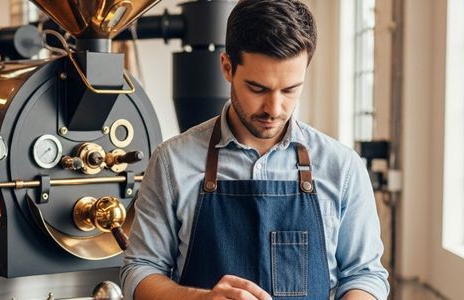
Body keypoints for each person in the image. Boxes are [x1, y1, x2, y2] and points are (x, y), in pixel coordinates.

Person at [120, 0, 390, 299]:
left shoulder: (343, 167)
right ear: (227, 68)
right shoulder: (173, 162)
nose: (274, 109)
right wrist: (200, 299)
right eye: (258, 88)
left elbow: (365, 275)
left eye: (289, 90)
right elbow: (139, 270)